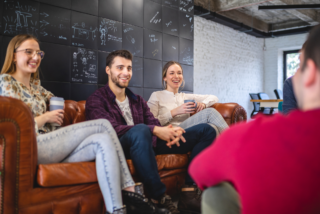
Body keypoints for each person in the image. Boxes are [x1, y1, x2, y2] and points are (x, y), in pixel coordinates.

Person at [0, 34, 158, 214]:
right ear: (13, 55)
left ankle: (117, 209)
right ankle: (131, 192)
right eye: (28, 52)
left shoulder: (36, 86)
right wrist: (44, 118)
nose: (35, 57)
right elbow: (12, 127)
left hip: (50, 146)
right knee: (102, 125)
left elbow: (53, 99)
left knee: (102, 141)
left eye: (39, 53)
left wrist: (54, 105)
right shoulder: (6, 82)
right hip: (29, 148)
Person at [189, 24, 320, 214]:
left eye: (299, 66)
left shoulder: (256, 135)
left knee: (215, 194)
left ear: (310, 73)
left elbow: (200, 170)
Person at [85, 50, 217, 214]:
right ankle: (159, 196)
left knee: (206, 130)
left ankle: (189, 191)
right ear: (108, 70)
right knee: (140, 130)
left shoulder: (137, 100)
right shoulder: (96, 99)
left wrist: (168, 131)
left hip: (148, 144)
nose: (126, 73)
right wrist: (154, 129)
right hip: (120, 147)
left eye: (129, 68)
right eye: (120, 67)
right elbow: (109, 130)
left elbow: (153, 122)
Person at [147, 61, 229, 136]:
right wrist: (174, 112)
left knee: (213, 128)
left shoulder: (185, 96)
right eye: (172, 73)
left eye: (179, 73)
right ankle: (236, 141)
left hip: (186, 131)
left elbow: (214, 97)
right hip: (168, 132)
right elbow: (150, 124)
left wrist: (203, 104)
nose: (176, 76)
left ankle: (228, 150)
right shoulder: (156, 95)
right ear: (164, 77)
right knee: (210, 112)